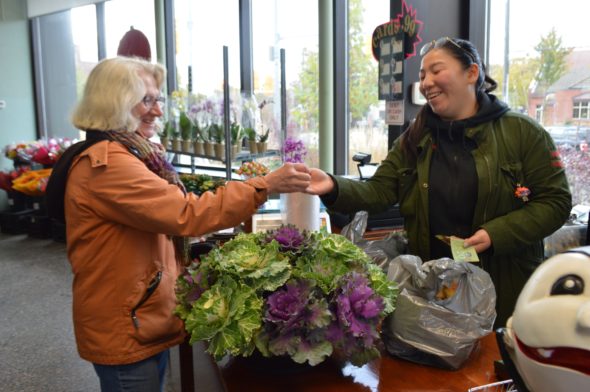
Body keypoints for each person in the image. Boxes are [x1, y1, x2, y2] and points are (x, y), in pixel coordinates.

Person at [46, 56, 311, 392]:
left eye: (159, 99)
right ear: (115, 102)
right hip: (125, 325)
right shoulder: (110, 165)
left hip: (136, 315)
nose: (157, 110)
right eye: (147, 100)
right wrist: (265, 184)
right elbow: (187, 214)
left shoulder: (129, 154)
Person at [307, 37, 572, 327]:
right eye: (422, 76)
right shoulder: (416, 136)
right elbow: (379, 190)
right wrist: (332, 185)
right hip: (433, 290)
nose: (426, 82)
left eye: (436, 70)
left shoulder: (522, 133)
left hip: (503, 292)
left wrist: (497, 233)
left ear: (471, 73)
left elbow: (555, 202)